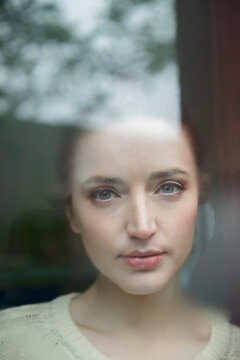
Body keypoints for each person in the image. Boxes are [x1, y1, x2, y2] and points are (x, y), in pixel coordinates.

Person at [0, 116, 239, 360]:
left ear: (200, 197)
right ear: (73, 214)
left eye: (169, 187)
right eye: (104, 194)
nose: (142, 227)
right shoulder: (9, 344)